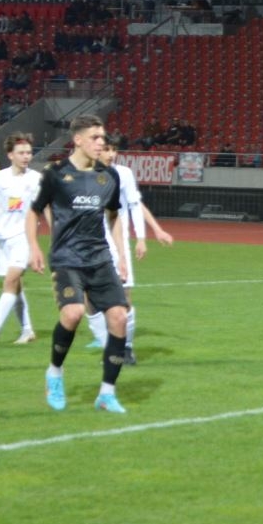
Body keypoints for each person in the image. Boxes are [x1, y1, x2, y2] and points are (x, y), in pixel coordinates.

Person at [26, 114, 132, 414]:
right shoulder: (56, 174)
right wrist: (34, 246)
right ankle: (55, 373)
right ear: (78, 140)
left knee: (119, 318)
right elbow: (34, 211)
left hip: (100, 259)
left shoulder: (108, 177)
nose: (101, 143)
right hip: (67, 259)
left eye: (103, 137)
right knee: (72, 314)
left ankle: (107, 394)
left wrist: (122, 255)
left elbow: (114, 216)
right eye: (95, 138)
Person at [83, 135, 175, 366]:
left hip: (118, 241)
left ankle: (127, 348)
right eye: (106, 149)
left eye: (114, 149)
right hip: (90, 242)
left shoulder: (123, 173)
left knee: (124, 297)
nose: (111, 154)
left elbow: (135, 204)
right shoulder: (83, 174)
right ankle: (109, 346)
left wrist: (143, 238)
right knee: (90, 299)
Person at [0, 133, 41, 345]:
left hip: (23, 236)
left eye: (29, 152)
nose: (26, 156)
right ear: (10, 155)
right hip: (2, 238)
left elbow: (46, 207)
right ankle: (27, 330)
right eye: (21, 153)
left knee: (10, 281)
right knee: (15, 287)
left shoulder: (36, 178)